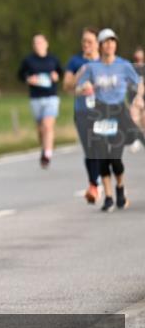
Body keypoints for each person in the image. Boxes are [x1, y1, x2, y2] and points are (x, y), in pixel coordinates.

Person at [76, 29, 145, 212]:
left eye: (112, 41)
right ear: (100, 45)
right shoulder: (92, 67)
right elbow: (78, 88)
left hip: (117, 112)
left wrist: (138, 99)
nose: (109, 45)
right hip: (99, 112)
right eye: (106, 42)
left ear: (116, 45)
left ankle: (120, 188)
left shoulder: (123, 65)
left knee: (115, 157)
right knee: (102, 157)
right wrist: (85, 87)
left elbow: (139, 83)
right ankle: (108, 197)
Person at [63, 28, 101, 203]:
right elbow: (66, 86)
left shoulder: (105, 61)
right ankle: (94, 184)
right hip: (82, 111)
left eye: (90, 41)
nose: (86, 45)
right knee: (89, 149)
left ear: (98, 43)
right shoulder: (75, 61)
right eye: (84, 41)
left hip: (103, 111)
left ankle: (100, 181)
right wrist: (78, 77)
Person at [17, 33, 64, 168]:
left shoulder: (53, 59)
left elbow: (60, 73)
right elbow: (20, 75)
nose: (38, 45)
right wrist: (28, 79)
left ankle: (47, 155)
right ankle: (44, 147)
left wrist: (56, 76)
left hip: (51, 96)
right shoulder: (28, 60)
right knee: (40, 129)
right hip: (36, 97)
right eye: (35, 43)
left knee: (48, 125)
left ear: (46, 44)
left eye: (40, 42)